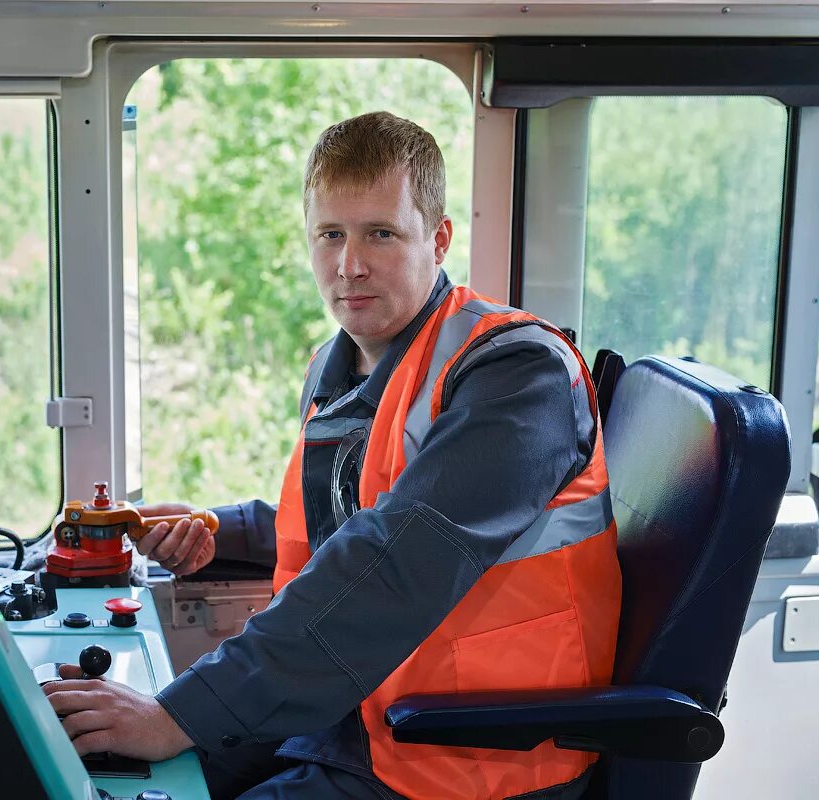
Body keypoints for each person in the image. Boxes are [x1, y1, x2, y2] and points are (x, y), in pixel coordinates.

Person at [43, 111, 621, 800]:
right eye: (330, 235)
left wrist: (180, 715)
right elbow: (346, 518)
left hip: (462, 753)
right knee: (74, 769)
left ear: (438, 239)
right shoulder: (335, 368)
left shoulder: (518, 375)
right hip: (347, 712)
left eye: (381, 232)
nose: (350, 264)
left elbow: (395, 559)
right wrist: (218, 531)